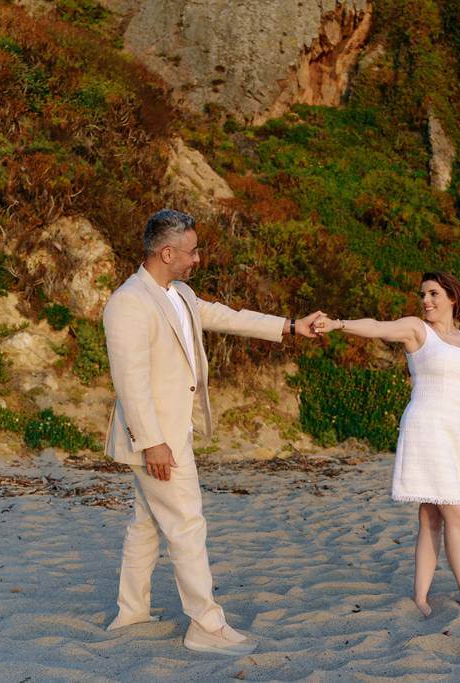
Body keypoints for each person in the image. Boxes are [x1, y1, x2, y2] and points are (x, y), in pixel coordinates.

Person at [102, 209, 323, 655]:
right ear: (166, 252)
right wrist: (153, 443)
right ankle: (205, 624)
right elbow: (131, 380)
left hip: (172, 432)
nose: (197, 258)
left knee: (146, 524)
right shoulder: (128, 302)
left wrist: (291, 327)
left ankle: (131, 613)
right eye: (191, 250)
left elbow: (227, 316)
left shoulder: (178, 293)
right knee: (186, 524)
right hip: (157, 439)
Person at [314, 272, 460, 618]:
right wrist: (339, 324)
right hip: (426, 428)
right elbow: (377, 326)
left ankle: (421, 596)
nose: (426, 300)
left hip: (455, 435)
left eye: (433, 294)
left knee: (433, 513)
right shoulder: (418, 329)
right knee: (453, 512)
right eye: (423, 294)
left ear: (452, 297)